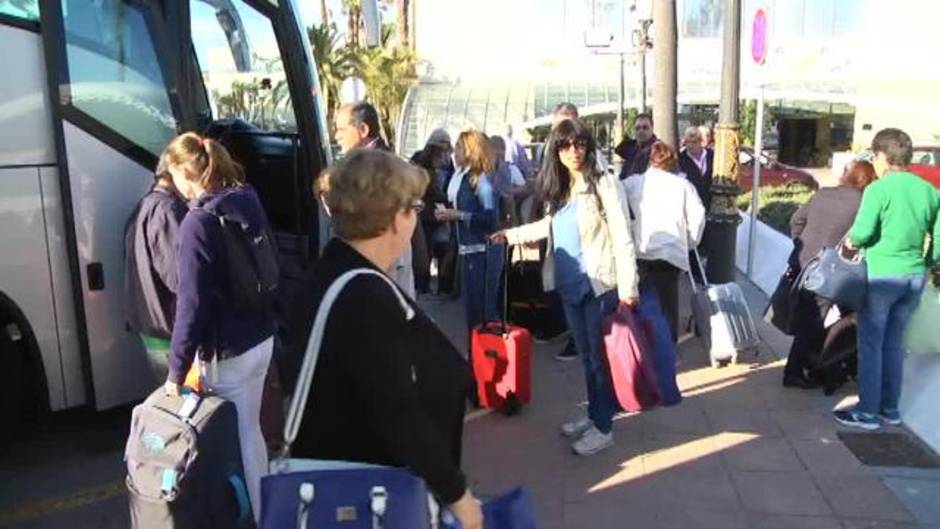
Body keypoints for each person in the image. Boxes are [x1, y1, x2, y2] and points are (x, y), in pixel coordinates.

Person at [287, 149, 483, 529]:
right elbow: (398, 412)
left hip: (349, 483)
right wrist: (458, 496)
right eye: (414, 208)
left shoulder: (336, 272)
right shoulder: (364, 294)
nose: (417, 218)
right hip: (366, 498)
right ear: (395, 218)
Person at [493, 119, 639, 456]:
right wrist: (511, 235)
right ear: (555, 150)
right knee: (587, 358)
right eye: (566, 145)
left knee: (598, 359)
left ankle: (604, 427)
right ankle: (594, 415)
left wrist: (628, 288)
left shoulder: (603, 183)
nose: (574, 151)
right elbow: (551, 226)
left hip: (598, 283)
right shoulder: (559, 189)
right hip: (569, 284)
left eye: (580, 144)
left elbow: (622, 233)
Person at [162, 132, 276, 520]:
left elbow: (191, 305)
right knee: (251, 430)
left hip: (228, 349)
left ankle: (258, 518)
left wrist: (176, 370)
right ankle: (267, 509)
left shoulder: (198, 221)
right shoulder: (247, 199)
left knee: (236, 440)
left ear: (183, 171)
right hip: (261, 336)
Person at [834, 128, 940, 430]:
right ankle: (890, 409)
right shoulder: (930, 191)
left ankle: (867, 411)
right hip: (914, 277)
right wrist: (927, 262)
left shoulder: (878, 190)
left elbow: (862, 233)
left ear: (882, 156)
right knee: (895, 345)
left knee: (871, 345)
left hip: (882, 276)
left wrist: (853, 241)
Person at [784, 161, 876, 389]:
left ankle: (815, 364)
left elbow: (796, 220)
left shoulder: (823, 194)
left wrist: (802, 245)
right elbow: (863, 237)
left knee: (811, 317)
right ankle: (797, 371)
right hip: (835, 270)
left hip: (807, 264)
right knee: (824, 320)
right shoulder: (862, 203)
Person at [622, 141, 706, 343]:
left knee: (639, 302)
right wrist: (688, 243)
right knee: (668, 305)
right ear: (671, 162)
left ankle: (642, 348)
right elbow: (698, 218)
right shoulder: (684, 186)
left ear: (649, 161)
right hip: (670, 253)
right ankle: (668, 350)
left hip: (641, 252)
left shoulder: (633, 183)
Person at [334, 101, 417, 298]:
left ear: (362, 129)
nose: (337, 136)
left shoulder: (377, 167)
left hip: (386, 263)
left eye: (341, 130)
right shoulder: (370, 162)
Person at [435, 131, 504, 342]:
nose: (454, 153)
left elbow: (491, 218)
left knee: (484, 311)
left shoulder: (480, 179)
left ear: (469, 150)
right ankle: (478, 358)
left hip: (483, 250)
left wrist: (458, 215)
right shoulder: (460, 176)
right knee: (472, 310)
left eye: (458, 148)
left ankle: (490, 359)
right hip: (468, 250)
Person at [124, 158, 188, 383]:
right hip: (169, 329)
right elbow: (180, 279)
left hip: (149, 325)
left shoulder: (143, 206)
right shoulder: (168, 210)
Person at [410, 138, 451, 294]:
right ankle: (427, 286)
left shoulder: (419, 164)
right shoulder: (428, 172)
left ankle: (425, 285)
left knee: (428, 251)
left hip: (428, 214)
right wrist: (448, 201)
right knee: (428, 251)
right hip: (429, 215)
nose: (442, 160)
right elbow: (435, 194)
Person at [678, 126, 715, 285]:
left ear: (701, 142)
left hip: (710, 204)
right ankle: (696, 276)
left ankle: (707, 272)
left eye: (694, 141)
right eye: (687, 142)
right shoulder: (681, 159)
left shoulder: (713, 156)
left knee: (709, 240)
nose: (690, 145)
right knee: (693, 240)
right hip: (690, 207)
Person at [615, 113, 657, 179]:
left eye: (645, 128)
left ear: (652, 128)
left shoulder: (658, 150)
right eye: (637, 128)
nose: (641, 131)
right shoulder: (631, 149)